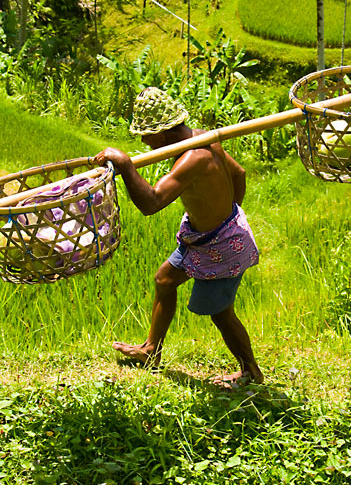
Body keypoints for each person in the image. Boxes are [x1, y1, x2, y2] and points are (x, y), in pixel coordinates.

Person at [94, 87, 263, 389]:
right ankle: (151, 351)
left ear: (160, 134)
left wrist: (125, 164)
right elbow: (239, 174)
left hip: (221, 245)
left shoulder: (193, 158)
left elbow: (151, 203)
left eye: (145, 134)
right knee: (165, 279)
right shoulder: (204, 137)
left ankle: (251, 372)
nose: (143, 141)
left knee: (221, 314)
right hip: (205, 237)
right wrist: (226, 213)